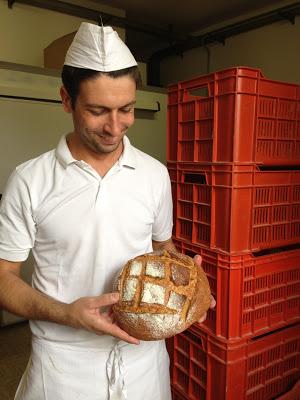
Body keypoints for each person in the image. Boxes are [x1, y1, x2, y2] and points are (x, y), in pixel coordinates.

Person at [0, 22, 214, 400]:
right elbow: (3, 279)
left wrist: (190, 282)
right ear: (67, 100)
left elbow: (163, 250)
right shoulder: (30, 180)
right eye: (98, 111)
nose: (115, 127)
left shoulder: (154, 174)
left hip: (143, 363)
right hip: (64, 366)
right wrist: (68, 313)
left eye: (126, 109)